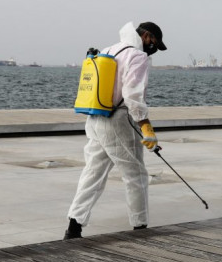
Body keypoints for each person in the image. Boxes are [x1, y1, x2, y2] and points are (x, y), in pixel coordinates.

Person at [64, 21, 167, 240]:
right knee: (136, 174)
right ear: (146, 36)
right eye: (155, 44)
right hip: (117, 119)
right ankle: (140, 227)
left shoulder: (108, 50)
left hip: (95, 117)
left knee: (93, 172)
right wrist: (145, 125)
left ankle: (74, 226)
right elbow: (132, 95)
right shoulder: (138, 56)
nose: (154, 49)